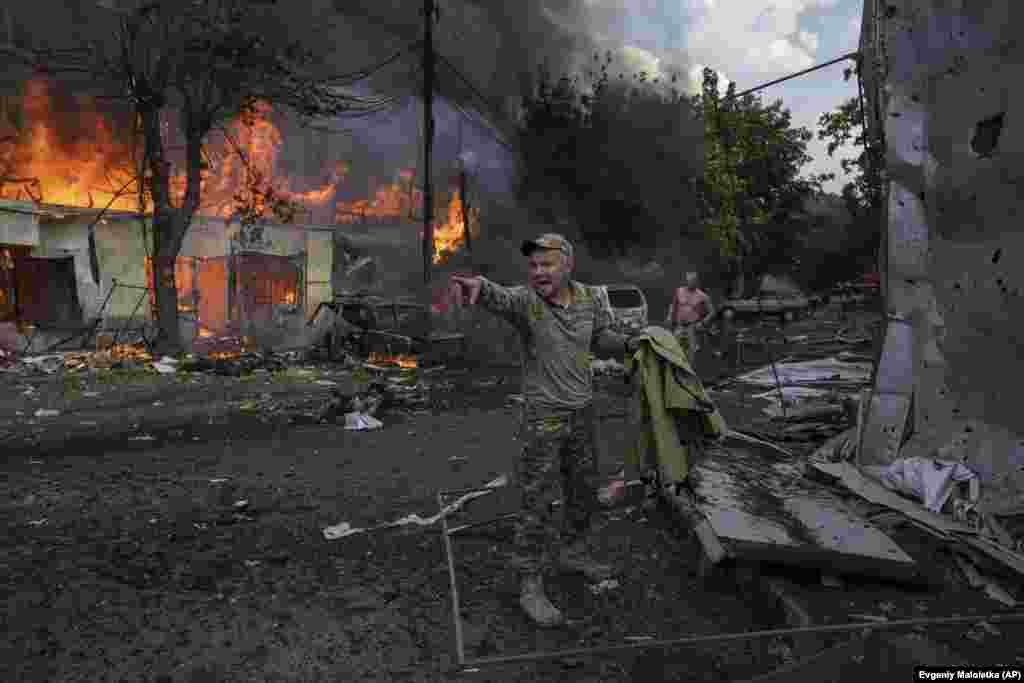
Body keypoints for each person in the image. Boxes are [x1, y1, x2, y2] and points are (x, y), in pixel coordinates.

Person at [447, 233, 639, 628]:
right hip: (543, 418)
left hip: (583, 412)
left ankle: (572, 551)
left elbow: (600, 339)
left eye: (546, 264)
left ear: (567, 264)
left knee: (584, 492)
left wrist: (633, 344)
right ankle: (529, 583)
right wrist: (477, 287)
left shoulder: (589, 298)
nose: (538, 272)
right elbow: (498, 295)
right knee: (536, 501)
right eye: (533, 266)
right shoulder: (527, 303)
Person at [666, 272, 715, 360]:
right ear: (686, 281)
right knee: (674, 347)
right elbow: (673, 305)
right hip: (679, 325)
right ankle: (675, 367)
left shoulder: (702, 296)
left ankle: (689, 368)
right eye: (689, 280)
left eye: (693, 281)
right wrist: (669, 316)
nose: (691, 283)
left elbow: (712, 312)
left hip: (692, 326)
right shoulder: (679, 291)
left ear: (696, 282)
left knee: (691, 349)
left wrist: (703, 322)